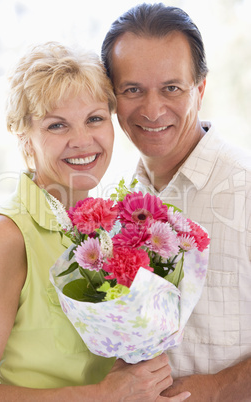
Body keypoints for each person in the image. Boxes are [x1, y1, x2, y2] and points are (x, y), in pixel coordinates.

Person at [0, 41, 191, 401]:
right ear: (24, 137)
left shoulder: (112, 231)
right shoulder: (3, 238)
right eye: (57, 125)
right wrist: (100, 395)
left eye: (94, 119)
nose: (82, 141)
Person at [101, 3, 251, 401]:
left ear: (199, 89)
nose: (152, 110)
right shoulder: (117, 207)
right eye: (133, 90)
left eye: (171, 88)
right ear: (114, 98)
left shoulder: (246, 188)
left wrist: (217, 389)